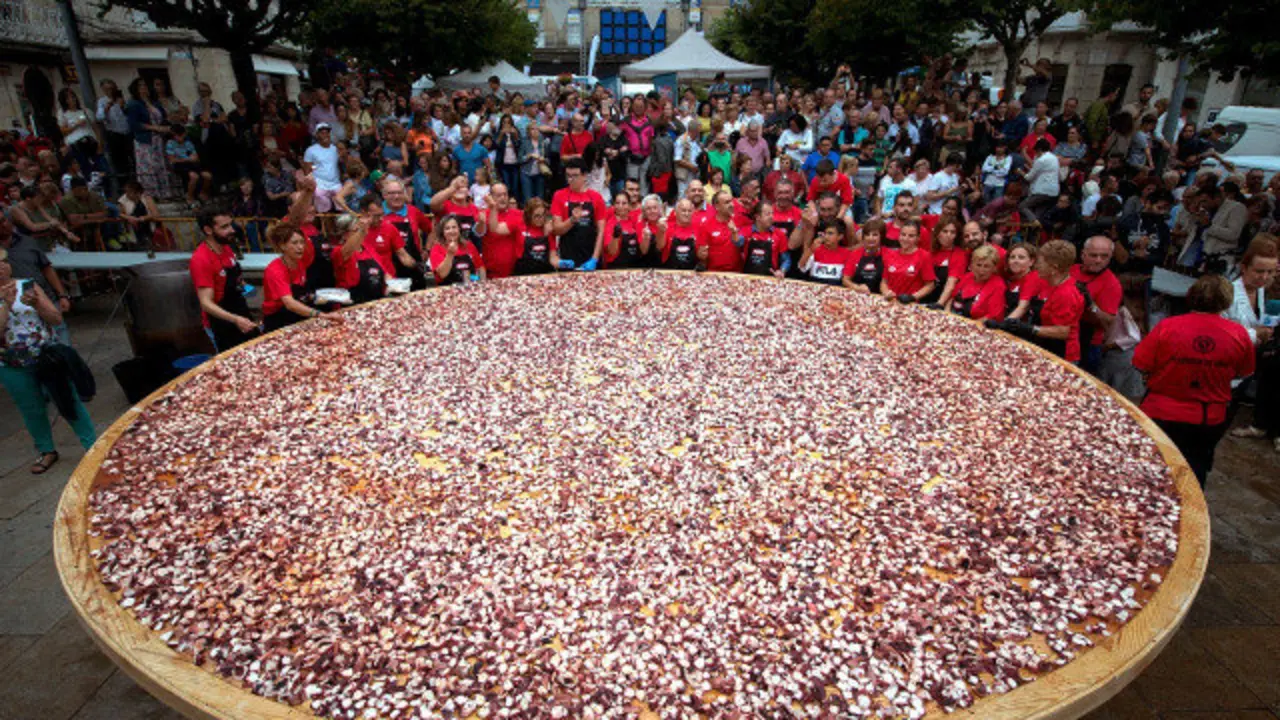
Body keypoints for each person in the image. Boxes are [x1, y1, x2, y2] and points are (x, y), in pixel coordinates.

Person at [1133, 274, 1254, 485]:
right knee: (1194, 471)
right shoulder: (1238, 334)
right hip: (1208, 416)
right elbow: (1244, 372)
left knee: (1149, 469)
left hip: (1161, 410)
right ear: (1226, 301)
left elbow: (1140, 363)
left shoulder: (1168, 327)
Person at [0, 247, 96, 475]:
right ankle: (46, 450)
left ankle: (92, 445)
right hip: (11, 364)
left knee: (68, 400)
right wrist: (5, 304)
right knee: (31, 408)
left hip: (46, 357)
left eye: (4, 261)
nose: (2, 267)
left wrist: (37, 305)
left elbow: (55, 318)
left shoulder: (27, 285)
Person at [1227, 236, 1279, 448]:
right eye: (1259, 271)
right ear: (1244, 267)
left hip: (1248, 365)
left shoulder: (1261, 292)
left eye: (1270, 272)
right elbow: (1221, 332)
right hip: (1228, 371)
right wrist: (1255, 333)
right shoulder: (1228, 294)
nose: (1264, 277)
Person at [191, 212, 257, 353]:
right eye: (224, 227)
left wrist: (246, 286)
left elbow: (234, 278)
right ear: (208, 230)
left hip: (239, 312)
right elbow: (206, 303)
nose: (232, 230)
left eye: (231, 224)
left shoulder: (226, 247)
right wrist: (235, 319)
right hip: (221, 323)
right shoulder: (201, 259)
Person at [261, 222, 333, 332]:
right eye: (294, 243)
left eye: (302, 242)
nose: (300, 247)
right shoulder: (274, 270)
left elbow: (300, 291)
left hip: (296, 314)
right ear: (282, 246)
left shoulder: (300, 263)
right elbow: (289, 303)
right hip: (278, 319)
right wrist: (320, 315)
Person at [1070, 236, 1124, 373]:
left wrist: (1091, 305)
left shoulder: (1112, 284)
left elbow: (1108, 322)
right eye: (1094, 255)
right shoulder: (1072, 270)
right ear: (1083, 255)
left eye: (1104, 256)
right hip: (1062, 333)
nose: (1098, 260)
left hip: (1087, 344)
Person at [549, 158, 607, 271]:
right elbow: (556, 230)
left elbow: (601, 231)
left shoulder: (596, 197)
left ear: (584, 176)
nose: (571, 180)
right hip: (568, 257)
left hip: (590, 255)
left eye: (575, 176)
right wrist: (572, 220)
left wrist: (595, 258)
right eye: (568, 175)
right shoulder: (559, 196)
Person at [945, 245, 1006, 321]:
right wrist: (947, 314)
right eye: (978, 265)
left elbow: (992, 316)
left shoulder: (998, 285)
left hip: (976, 326)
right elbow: (951, 298)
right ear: (972, 264)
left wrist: (968, 326)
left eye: (986, 266)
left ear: (994, 268)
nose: (981, 270)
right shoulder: (968, 276)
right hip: (952, 319)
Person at [881, 221, 935, 303]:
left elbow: (930, 285)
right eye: (903, 234)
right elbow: (884, 282)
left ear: (918, 238)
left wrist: (913, 297)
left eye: (911, 236)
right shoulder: (890, 254)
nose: (906, 239)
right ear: (899, 236)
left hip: (910, 305)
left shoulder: (924, 256)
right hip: (890, 303)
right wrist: (886, 292)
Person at [429, 214, 486, 285]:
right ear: (442, 232)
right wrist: (450, 254)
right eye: (447, 228)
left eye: (454, 227)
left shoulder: (469, 245)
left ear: (459, 229)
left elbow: (480, 268)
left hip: (470, 288)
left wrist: (483, 284)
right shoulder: (437, 249)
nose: (451, 231)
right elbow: (442, 274)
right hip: (447, 290)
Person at [512, 198, 564, 275]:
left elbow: (552, 258)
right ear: (529, 215)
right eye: (536, 216)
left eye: (543, 215)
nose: (540, 219)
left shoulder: (548, 231)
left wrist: (561, 263)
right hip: (524, 274)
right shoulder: (519, 227)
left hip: (545, 274)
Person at [740, 201, 790, 278]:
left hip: (770, 279)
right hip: (747, 278)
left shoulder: (779, 234)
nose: (771, 217)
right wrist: (734, 233)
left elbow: (786, 259)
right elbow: (737, 242)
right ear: (757, 217)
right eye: (767, 214)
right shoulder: (745, 231)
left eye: (772, 213)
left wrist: (781, 271)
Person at [697, 190, 743, 273]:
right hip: (714, 273)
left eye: (731, 201)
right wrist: (701, 256)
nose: (731, 205)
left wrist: (735, 233)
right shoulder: (706, 225)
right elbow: (702, 255)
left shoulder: (740, 221)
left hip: (737, 273)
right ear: (717, 206)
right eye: (727, 202)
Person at [601, 194, 650, 269]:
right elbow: (611, 252)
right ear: (613, 205)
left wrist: (646, 238)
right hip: (616, 268)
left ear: (629, 206)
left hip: (636, 267)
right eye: (617, 203)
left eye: (624, 203)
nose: (620, 206)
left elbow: (643, 251)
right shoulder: (610, 224)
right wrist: (615, 236)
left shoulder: (635, 221)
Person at [924, 218, 966, 305]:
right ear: (938, 233)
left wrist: (939, 304)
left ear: (956, 236)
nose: (948, 235)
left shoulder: (959, 254)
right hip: (924, 297)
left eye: (952, 232)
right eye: (945, 231)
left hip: (943, 300)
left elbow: (951, 284)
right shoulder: (931, 252)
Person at [303, 124, 342, 212]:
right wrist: (311, 183)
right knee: (323, 211)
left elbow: (340, 164)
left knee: (341, 208)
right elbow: (307, 170)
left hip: (336, 183)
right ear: (317, 135)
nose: (325, 135)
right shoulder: (311, 150)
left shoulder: (335, 148)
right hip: (320, 184)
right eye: (322, 133)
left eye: (327, 133)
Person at [1003, 243, 1047, 322]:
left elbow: (1022, 308)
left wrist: (1002, 326)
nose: (1015, 261)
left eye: (1021, 257)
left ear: (1031, 262)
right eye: (1012, 257)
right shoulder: (1012, 280)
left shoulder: (1033, 277)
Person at [1019, 138, 1060, 222]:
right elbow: (1040, 171)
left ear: (1039, 149)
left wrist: (1020, 171)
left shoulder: (1041, 160)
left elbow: (1028, 178)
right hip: (1054, 192)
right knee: (1038, 214)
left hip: (1042, 191)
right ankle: (1036, 226)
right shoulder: (1054, 158)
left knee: (1022, 206)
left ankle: (1034, 222)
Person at [845, 219, 887, 293]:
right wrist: (856, 287)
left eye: (875, 235)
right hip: (858, 294)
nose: (870, 238)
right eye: (867, 235)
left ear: (882, 237)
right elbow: (845, 280)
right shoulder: (855, 253)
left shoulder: (888, 254)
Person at [663, 199, 700, 271]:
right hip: (670, 272)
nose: (687, 214)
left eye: (689, 211)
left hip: (693, 273)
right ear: (675, 212)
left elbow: (702, 257)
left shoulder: (699, 229)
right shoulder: (666, 228)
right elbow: (660, 247)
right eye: (683, 211)